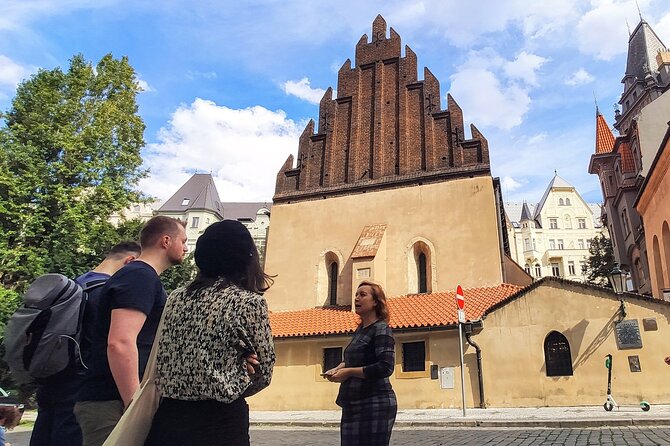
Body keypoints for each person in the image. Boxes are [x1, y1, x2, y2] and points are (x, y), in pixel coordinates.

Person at [144, 220, 275, 446]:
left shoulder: (175, 297)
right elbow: (264, 372)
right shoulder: (248, 303)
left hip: (170, 417)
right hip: (220, 421)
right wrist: (235, 375)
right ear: (246, 257)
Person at [75, 216, 188, 446]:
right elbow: (120, 342)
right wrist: (134, 404)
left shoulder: (141, 277)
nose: (186, 247)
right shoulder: (140, 276)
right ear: (166, 241)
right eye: (183, 241)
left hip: (113, 400)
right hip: (112, 403)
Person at [30, 241, 141, 446]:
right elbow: (115, 342)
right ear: (130, 261)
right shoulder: (106, 292)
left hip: (51, 377)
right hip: (81, 382)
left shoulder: (72, 286)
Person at [325, 281, 397, 446]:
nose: (357, 298)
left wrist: (349, 372)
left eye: (363, 295)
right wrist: (338, 368)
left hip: (375, 404)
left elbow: (385, 367)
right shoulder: (361, 330)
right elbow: (352, 360)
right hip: (352, 404)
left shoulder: (381, 329)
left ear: (375, 302)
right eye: (356, 295)